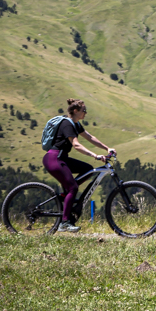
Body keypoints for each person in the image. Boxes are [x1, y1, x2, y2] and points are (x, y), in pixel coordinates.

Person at [43, 98, 116, 232]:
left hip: (62, 158)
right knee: (73, 188)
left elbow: (90, 137)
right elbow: (76, 145)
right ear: (76, 111)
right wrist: (95, 155)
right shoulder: (67, 124)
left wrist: (107, 149)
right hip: (54, 158)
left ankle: (67, 197)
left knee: (88, 169)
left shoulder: (75, 124)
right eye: (84, 111)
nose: (85, 113)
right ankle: (64, 223)